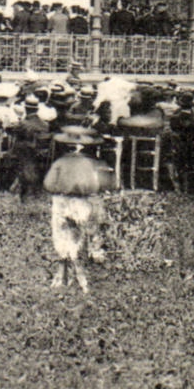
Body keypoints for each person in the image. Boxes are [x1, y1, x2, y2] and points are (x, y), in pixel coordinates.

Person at [43, 125, 111, 292]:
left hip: (61, 201)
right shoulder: (94, 164)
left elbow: (48, 184)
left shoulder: (59, 163)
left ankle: (64, 271)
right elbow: (103, 184)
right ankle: (80, 273)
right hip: (83, 202)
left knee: (62, 236)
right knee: (80, 236)